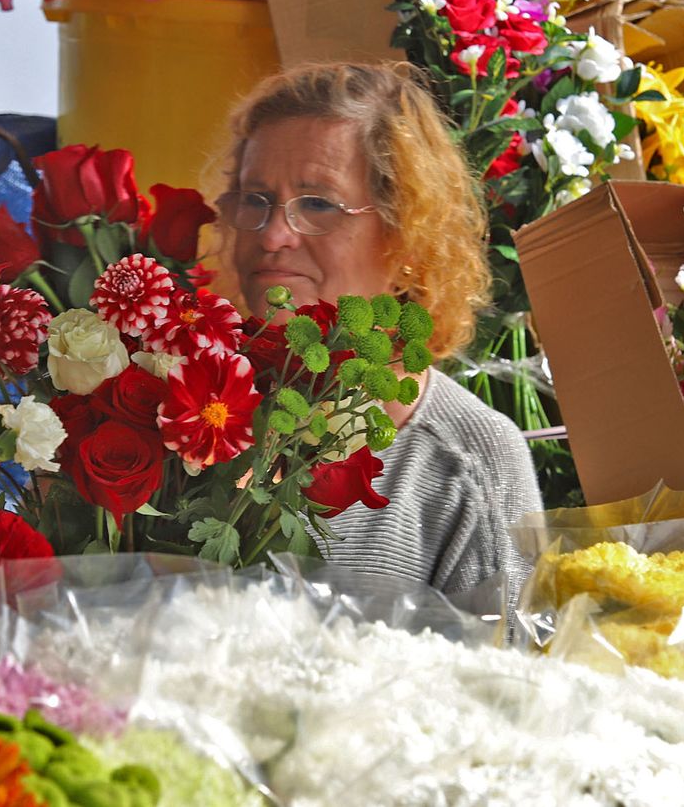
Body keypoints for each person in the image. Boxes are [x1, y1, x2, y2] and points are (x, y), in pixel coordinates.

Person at [215, 62, 543, 601]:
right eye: (256, 199)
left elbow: (505, 654)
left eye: (317, 203)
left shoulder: (470, 459)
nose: (273, 235)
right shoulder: (188, 406)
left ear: (406, 234)